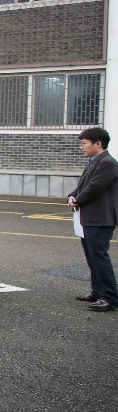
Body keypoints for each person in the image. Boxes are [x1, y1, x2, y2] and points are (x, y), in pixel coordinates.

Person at [68, 127, 118, 312]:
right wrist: (71, 197)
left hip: (100, 218)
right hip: (89, 217)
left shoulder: (108, 163)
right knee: (92, 258)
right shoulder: (94, 161)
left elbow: (94, 187)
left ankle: (110, 297)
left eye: (84, 143)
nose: (82, 147)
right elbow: (83, 186)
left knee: (99, 257)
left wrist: (77, 200)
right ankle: (97, 291)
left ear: (98, 144)